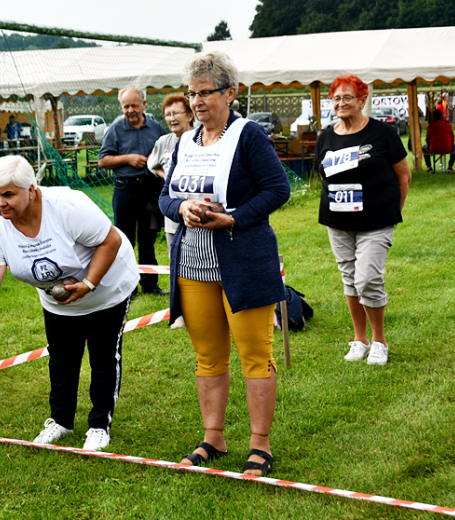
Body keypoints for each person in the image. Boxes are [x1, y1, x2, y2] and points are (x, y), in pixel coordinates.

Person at [0, 155, 139, 452]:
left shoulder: (67, 206)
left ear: (32, 190)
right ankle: (60, 421)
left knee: (103, 355)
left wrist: (88, 284)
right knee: (61, 356)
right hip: (58, 301)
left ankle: (99, 425)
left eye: (8, 194)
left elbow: (110, 241)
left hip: (106, 288)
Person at [159, 51, 291, 476]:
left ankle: (260, 444)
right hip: (192, 264)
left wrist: (232, 217)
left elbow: (277, 190)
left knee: (255, 353)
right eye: (191, 94)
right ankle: (212, 437)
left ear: (230, 94)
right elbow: (164, 197)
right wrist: (181, 208)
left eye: (205, 93)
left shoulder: (248, 136)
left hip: (243, 260)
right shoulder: (184, 142)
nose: (196, 102)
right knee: (208, 356)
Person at [315, 74, 411, 366]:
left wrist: (394, 210)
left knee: (367, 278)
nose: (341, 103)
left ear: (362, 100)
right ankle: (360, 339)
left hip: (377, 218)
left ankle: (379, 340)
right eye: (337, 98)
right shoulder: (326, 137)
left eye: (348, 97)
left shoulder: (383, 134)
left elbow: (403, 175)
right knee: (350, 278)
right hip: (337, 219)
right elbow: (323, 175)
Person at [99, 87, 167, 297]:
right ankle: (129, 287)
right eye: (125, 106)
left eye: (134, 106)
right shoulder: (115, 129)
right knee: (125, 240)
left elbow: (166, 155)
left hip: (150, 188)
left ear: (144, 105)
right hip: (124, 189)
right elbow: (103, 160)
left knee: (148, 238)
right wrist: (128, 159)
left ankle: (150, 284)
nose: (130, 110)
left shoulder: (156, 128)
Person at [147, 93, 195, 329]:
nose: (172, 118)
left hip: (198, 210)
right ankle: (180, 313)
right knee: (177, 262)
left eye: (177, 113)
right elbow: (151, 163)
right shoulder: (164, 142)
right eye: (167, 114)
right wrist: (167, 178)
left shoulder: (200, 138)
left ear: (189, 114)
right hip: (173, 212)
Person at [423, 109, 455, 173]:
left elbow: (428, 139)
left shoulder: (430, 127)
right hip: (448, 148)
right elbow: (452, 137)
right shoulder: (448, 125)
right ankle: (450, 166)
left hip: (434, 148)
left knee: (424, 148)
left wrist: (430, 145)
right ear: (441, 115)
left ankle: (429, 167)